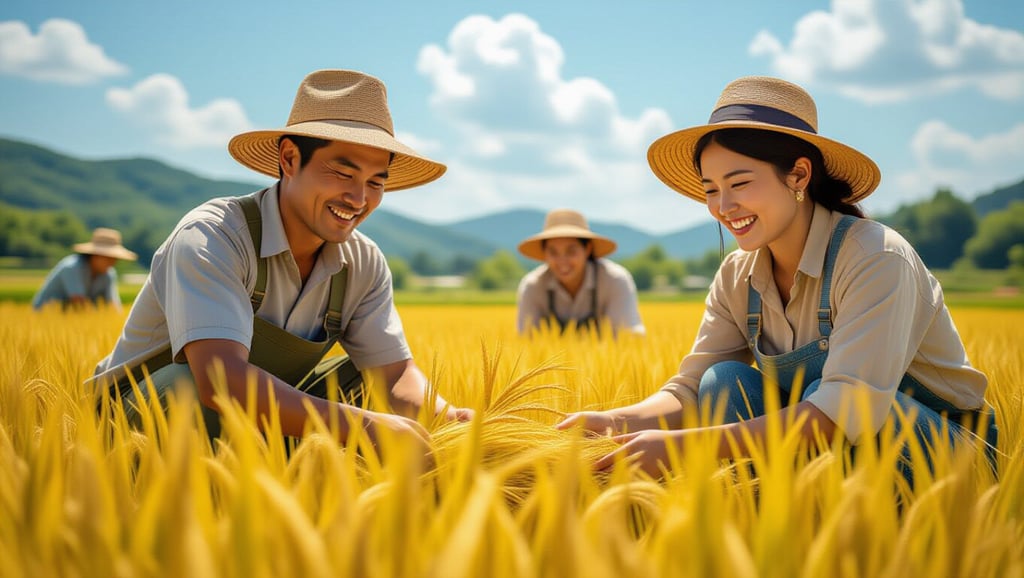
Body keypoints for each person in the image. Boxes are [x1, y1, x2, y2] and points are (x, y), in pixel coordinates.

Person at [557, 76, 997, 480]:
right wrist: (611, 421)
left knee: (826, 390)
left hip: (946, 453)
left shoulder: (876, 257)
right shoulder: (736, 275)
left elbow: (847, 410)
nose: (723, 206)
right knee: (722, 382)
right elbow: (691, 389)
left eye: (740, 182)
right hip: (833, 448)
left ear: (799, 175)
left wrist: (686, 448)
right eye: (711, 189)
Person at [92, 69, 471, 454]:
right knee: (184, 387)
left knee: (364, 381)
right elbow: (219, 380)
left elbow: (393, 375)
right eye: (343, 173)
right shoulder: (214, 235)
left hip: (259, 423)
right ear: (290, 158)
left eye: (376, 182)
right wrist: (364, 425)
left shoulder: (364, 262)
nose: (358, 199)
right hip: (135, 426)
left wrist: (449, 420)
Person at [516, 208, 645, 336]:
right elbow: (526, 340)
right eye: (553, 252)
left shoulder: (614, 280)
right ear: (544, 253)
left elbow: (629, 336)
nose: (562, 261)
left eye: (571, 251)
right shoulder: (533, 286)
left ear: (587, 249)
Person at [33, 227, 137, 311]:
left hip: (71, 318)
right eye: (108, 258)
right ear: (95, 255)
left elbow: (113, 305)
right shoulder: (72, 268)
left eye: (115, 259)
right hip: (45, 316)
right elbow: (79, 304)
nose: (113, 262)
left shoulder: (108, 274)